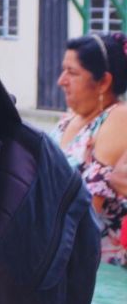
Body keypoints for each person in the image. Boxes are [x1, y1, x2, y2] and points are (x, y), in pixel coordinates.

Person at [56, 32, 127, 266]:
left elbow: (87, 211)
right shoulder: (68, 121)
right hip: (56, 252)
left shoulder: (117, 118)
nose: (61, 80)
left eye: (72, 72)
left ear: (104, 82)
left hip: (93, 269)